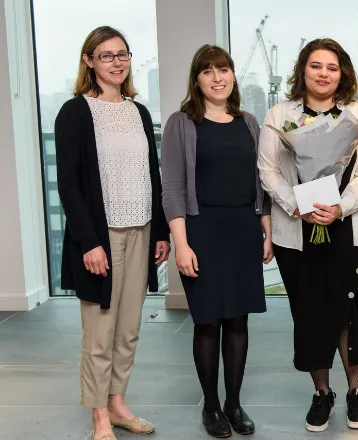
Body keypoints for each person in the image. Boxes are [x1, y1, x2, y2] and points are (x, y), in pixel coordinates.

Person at [257, 38, 358, 432]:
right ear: (303, 70)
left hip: (347, 229)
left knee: (349, 313)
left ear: (342, 72)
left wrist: (339, 207)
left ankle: (355, 391)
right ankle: (322, 393)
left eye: (331, 66)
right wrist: (298, 205)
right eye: (315, 65)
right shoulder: (279, 114)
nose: (323, 73)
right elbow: (268, 171)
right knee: (309, 314)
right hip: (298, 231)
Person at [55, 26, 170, 440]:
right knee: (100, 332)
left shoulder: (138, 112)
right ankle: (99, 415)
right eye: (106, 56)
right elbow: (68, 183)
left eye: (122, 54)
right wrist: (89, 243)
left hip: (140, 230)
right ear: (89, 61)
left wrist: (160, 231)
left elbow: (151, 176)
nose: (117, 62)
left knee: (130, 327)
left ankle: (119, 404)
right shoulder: (75, 112)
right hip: (101, 237)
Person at [161, 44, 273, 438]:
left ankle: (233, 403)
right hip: (201, 230)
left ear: (233, 76)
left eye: (223, 69)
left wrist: (267, 232)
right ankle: (210, 406)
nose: (218, 77)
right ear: (197, 80)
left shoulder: (248, 122)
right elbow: (172, 188)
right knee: (207, 321)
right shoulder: (182, 122)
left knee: (238, 320)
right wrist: (181, 243)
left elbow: (261, 185)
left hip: (243, 229)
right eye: (208, 71)